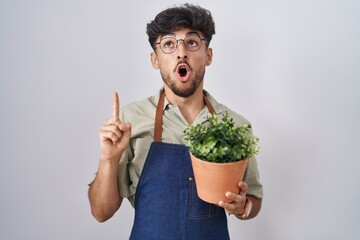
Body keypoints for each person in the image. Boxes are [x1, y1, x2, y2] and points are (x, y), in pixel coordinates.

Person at [88, 3, 263, 239]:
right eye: (169, 44)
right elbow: (101, 212)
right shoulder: (129, 121)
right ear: (155, 59)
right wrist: (108, 160)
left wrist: (244, 208)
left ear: (208, 55)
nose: (181, 53)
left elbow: (254, 198)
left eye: (192, 42)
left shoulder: (234, 126)